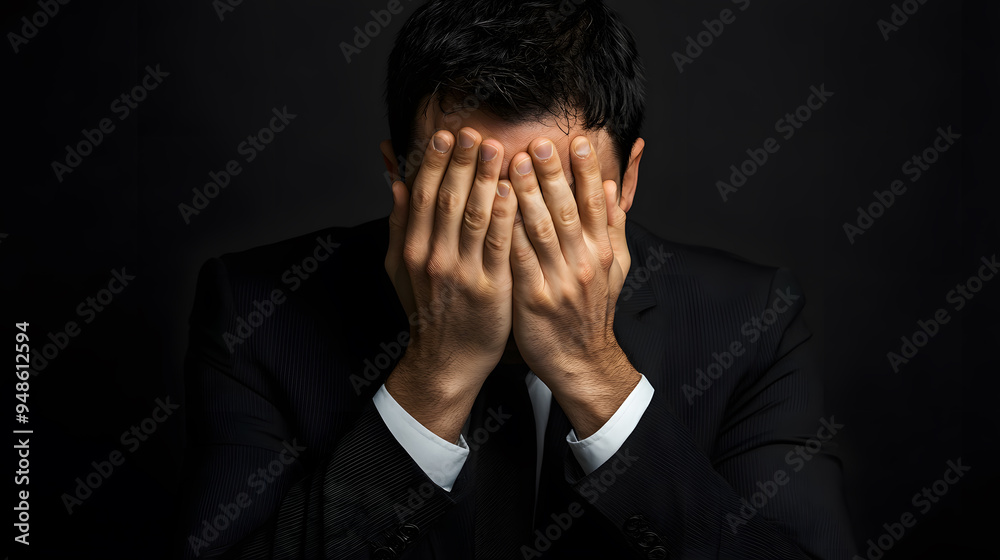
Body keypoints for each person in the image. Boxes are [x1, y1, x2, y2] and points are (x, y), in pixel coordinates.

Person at [177, 1, 854, 558]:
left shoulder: (749, 320)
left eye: (554, 198)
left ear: (628, 183)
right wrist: (433, 378)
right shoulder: (259, 313)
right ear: (401, 179)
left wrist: (595, 373)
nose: (508, 240)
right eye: (472, 195)